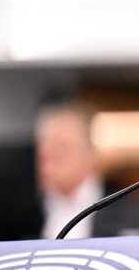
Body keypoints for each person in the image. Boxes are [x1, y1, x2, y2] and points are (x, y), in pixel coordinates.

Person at [36, 100, 104, 239]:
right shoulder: (19, 213)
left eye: (62, 148)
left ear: (91, 154)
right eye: (44, 147)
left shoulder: (127, 209)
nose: (48, 156)